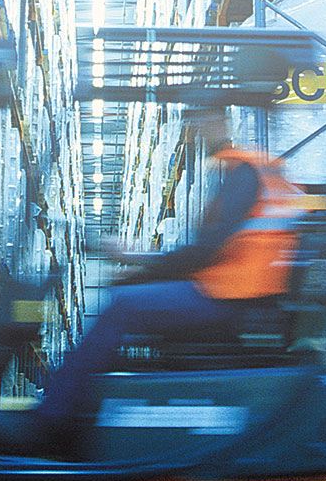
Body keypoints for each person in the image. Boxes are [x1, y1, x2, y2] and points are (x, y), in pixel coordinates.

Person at [27, 112, 305, 447]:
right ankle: (97, 410)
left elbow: (204, 253)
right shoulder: (250, 170)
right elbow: (208, 252)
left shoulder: (242, 172)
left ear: (220, 122)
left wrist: (138, 262)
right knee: (128, 293)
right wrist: (140, 270)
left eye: (200, 124)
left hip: (231, 298)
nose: (196, 133)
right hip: (238, 294)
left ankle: (50, 419)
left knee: (122, 306)